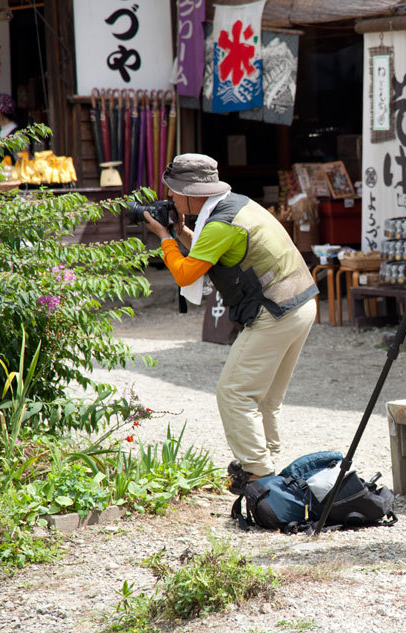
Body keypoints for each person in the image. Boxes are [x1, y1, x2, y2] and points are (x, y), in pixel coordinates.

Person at [143, 153, 318, 494]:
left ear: (193, 193)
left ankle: (259, 475)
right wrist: (180, 232)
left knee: (234, 393)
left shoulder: (220, 223)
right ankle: (270, 466)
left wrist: (164, 235)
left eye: (175, 192)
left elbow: (184, 271)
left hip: (276, 311)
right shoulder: (237, 206)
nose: (171, 199)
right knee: (265, 398)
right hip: (302, 303)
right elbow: (207, 253)